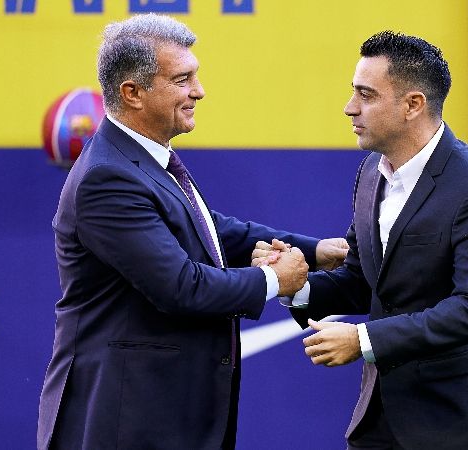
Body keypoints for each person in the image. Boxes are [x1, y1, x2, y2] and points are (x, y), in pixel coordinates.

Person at [36, 14, 347, 450]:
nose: (199, 91)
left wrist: (315, 251)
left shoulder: (139, 157)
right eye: (182, 80)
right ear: (133, 93)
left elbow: (211, 230)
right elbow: (180, 286)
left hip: (165, 416)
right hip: (130, 422)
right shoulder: (106, 178)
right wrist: (277, 279)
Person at [254, 32, 468, 449]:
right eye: (354, 93)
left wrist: (363, 340)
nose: (350, 108)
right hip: (380, 419)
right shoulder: (371, 172)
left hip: (457, 425)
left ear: (413, 105)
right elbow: (363, 282)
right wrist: (293, 284)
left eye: (366, 95)